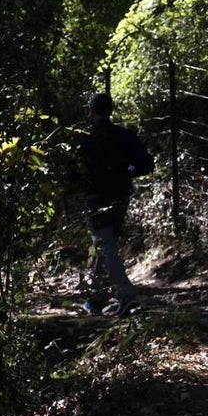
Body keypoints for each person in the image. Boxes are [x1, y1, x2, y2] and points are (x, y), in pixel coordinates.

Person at [75, 91, 154, 318]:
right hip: (120, 196)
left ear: (91, 111)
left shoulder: (86, 138)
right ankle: (96, 299)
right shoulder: (124, 136)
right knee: (106, 246)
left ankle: (126, 295)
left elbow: (73, 173)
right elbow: (145, 165)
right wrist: (126, 171)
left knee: (105, 246)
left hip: (96, 197)